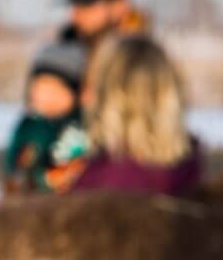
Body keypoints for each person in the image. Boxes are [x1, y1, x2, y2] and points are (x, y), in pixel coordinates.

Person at [71, 35, 202, 197]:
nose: (84, 97)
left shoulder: (99, 183)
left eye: (94, 85)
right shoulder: (191, 171)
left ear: (113, 99)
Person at [3, 40, 89, 194]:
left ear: (77, 94)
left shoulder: (83, 127)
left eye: (55, 90)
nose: (47, 97)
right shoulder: (28, 126)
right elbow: (12, 167)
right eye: (41, 88)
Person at [60, 0, 147, 49]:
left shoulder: (143, 57)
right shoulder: (72, 46)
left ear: (119, 5)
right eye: (75, 8)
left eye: (86, 6)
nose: (74, 17)